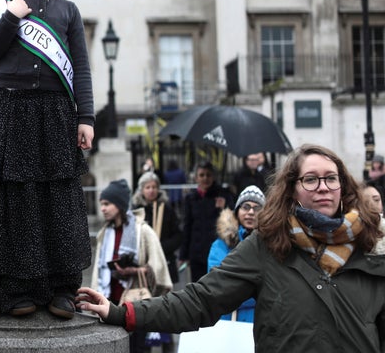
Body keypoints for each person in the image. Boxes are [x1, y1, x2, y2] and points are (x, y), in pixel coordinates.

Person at [77, 144, 385, 352]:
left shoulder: (373, 246)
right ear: (292, 190)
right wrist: (121, 313)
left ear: (343, 187)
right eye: (311, 179)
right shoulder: (267, 245)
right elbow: (201, 300)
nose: (322, 187)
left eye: (331, 179)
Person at [0, 0, 94, 318]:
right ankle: (18, 289)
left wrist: (86, 118)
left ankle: (61, 288)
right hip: (12, 112)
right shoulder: (1, 2)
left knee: (57, 200)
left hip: (57, 113)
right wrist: (12, 16)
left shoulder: (68, 11)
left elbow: (81, 67)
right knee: (18, 202)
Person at [91, 179, 172, 353]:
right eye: (101, 204)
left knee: (138, 349)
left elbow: (159, 268)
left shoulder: (142, 231)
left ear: (119, 205)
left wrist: (135, 271)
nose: (103, 209)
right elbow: (98, 270)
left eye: (107, 204)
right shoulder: (105, 233)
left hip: (136, 305)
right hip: (110, 304)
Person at [206, 185, 266, 323]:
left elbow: (275, 286)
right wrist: (256, 292)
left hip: (262, 321)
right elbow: (218, 285)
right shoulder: (221, 245)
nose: (251, 212)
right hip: (228, 321)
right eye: (246, 207)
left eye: (257, 208)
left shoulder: (273, 245)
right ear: (237, 211)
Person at [178, 161, 234, 282]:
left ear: (213, 176)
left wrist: (224, 207)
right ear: (196, 178)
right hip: (196, 253)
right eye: (201, 175)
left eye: (208, 175)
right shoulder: (190, 198)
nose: (205, 178)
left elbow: (231, 223)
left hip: (216, 251)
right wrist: (184, 254)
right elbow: (187, 226)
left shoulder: (223, 195)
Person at [132, 172, 182, 285]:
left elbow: (178, 236)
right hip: (143, 262)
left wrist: (161, 247)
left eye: (154, 187)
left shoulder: (167, 209)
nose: (151, 190)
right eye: (147, 187)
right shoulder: (136, 211)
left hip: (165, 259)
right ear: (142, 190)